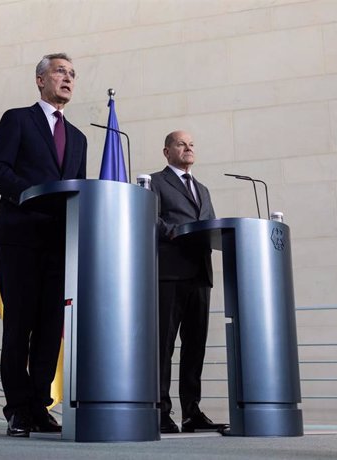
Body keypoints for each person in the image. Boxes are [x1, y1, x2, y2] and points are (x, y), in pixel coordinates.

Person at [0, 53, 87, 437]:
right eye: (60, 71)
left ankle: (40, 405)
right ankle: (18, 409)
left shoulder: (79, 137)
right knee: (20, 326)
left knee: (50, 328)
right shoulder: (17, 119)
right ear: (40, 79)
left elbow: (77, 187)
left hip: (61, 243)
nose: (68, 79)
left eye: (72, 74)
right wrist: (29, 195)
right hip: (20, 236)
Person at [149, 130, 226, 434]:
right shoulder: (155, 182)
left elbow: (210, 223)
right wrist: (173, 232)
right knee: (164, 345)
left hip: (200, 274)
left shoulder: (203, 189)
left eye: (192, 144)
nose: (188, 148)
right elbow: (149, 218)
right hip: (170, 272)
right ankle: (160, 411)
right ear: (167, 151)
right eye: (181, 144)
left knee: (195, 347)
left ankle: (191, 412)